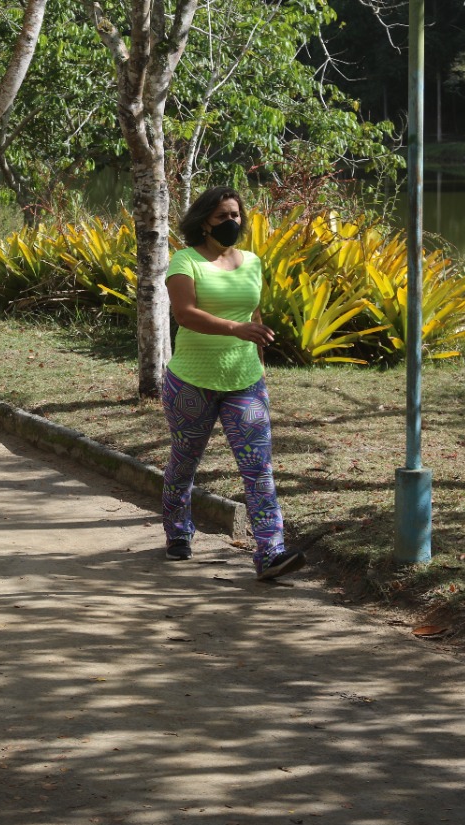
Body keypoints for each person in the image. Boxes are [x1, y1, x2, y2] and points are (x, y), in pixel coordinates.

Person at [162, 186, 306, 581]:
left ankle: (270, 553)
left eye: (237, 215)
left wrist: (261, 370)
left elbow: (254, 320)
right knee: (185, 460)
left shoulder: (253, 262)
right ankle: (178, 532)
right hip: (191, 381)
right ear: (204, 221)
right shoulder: (184, 261)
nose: (232, 223)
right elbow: (186, 315)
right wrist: (236, 329)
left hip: (245, 381)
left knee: (259, 468)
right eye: (223, 216)